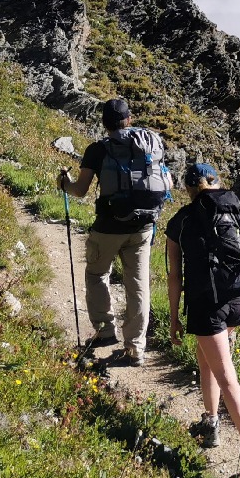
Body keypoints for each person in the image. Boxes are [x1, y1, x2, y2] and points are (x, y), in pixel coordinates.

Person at [166, 161, 240, 478]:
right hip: (236, 299)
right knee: (206, 358)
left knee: (226, 375)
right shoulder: (236, 210)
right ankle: (210, 423)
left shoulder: (181, 220)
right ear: (215, 182)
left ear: (188, 188)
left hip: (206, 305)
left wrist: (173, 317)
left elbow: (174, 276)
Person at [57, 98, 172, 367]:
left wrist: (64, 183)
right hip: (143, 227)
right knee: (138, 285)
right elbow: (165, 180)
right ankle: (136, 347)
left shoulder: (98, 149)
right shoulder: (150, 144)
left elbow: (80, 190)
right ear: (128, 120)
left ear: (104, 123)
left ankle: (105, 331)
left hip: (108, 226)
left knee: (97, 274)